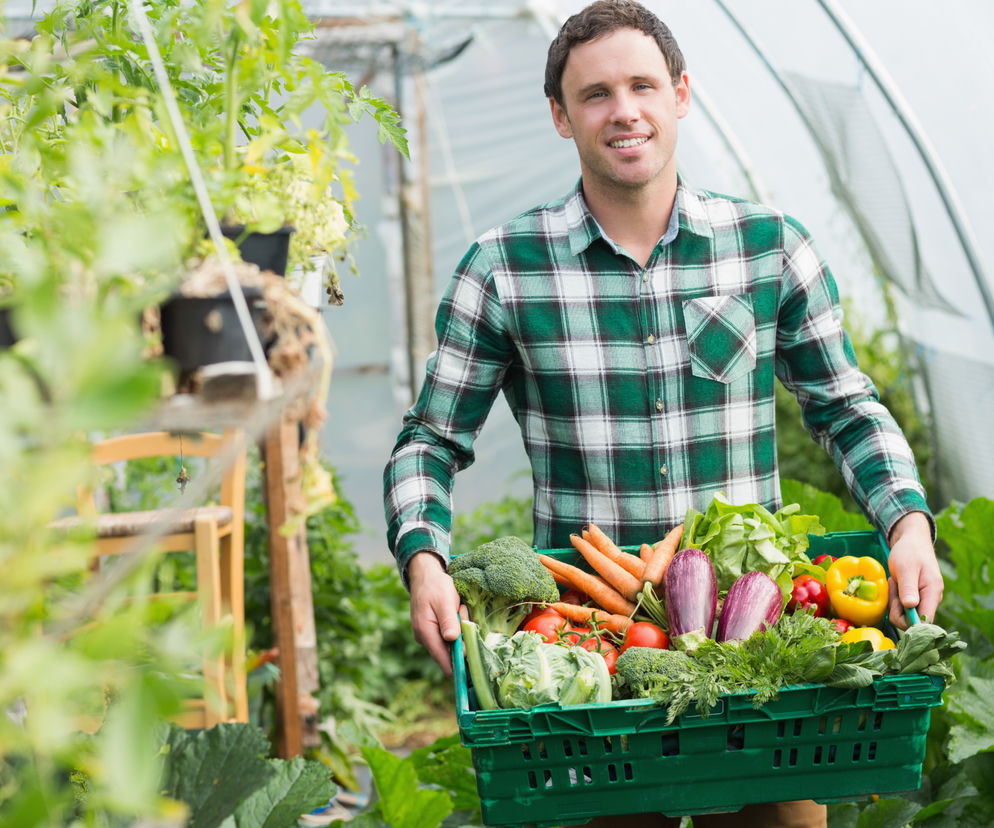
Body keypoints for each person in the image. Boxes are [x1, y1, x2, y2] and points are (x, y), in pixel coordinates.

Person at [383, 2, 943, 825]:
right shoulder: (503, 270)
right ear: (560, 117)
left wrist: (908, 524)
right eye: (596, 94)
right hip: (593, 648)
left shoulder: (767, 247)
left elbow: (847, 410)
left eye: (643, 85)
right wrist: (425, 558)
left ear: (681, 94)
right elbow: (429, 441)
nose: (624, 111)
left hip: (760, 642)